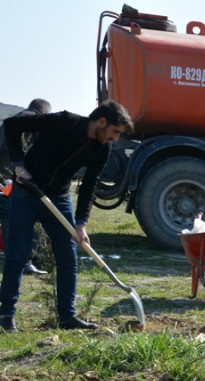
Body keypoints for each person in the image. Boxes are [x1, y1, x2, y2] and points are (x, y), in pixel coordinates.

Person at [0, 100, 132, 333]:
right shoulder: (64, 122)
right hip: (27, 192)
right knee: (18, 255)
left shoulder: (102, 149)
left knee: (68, 258)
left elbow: (89, 186)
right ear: (101, 122)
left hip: (59, 199)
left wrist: (81, 223)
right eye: (114, 132)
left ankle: (67, 317)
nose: (115, 138)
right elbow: (12, 124)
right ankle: (6, 316)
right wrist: (19, 165)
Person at [0, 98, 53, 277]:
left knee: (9, 219)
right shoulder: (37, 123)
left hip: (3, 180)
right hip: (23, 181)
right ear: (45, 113)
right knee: (30, 218)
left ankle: (16, 258)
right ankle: (27, 261)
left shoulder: (11, 121)